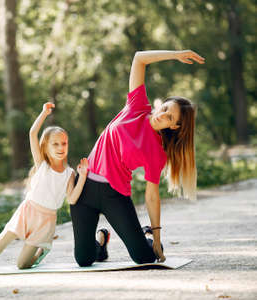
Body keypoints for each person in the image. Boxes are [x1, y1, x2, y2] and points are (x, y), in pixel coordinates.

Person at [70, 50, 205, 266]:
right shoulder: (137, 105)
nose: (162, 114)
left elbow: (152, 196)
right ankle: (101, 240)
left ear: (174, 126)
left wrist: (157, 238)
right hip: (84, 187)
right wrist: (176, 54)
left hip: (114, 195)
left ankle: (147, 235)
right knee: (84, 259)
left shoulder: (158, 153)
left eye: (169, 117)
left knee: (144, 257)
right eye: (166, 108)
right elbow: (139, 58)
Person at [0, 102, 89, 269]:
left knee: (22, 265)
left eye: (64, 143)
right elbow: (33, 133)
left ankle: (41, 251)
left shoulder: (70, 173)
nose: (61, 147)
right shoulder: (42, 164)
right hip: (28, 211)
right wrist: (44, 114)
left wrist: (82, 177)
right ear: (46, 147)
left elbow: (73, 199)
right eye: (55, 144)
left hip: (47, 220)